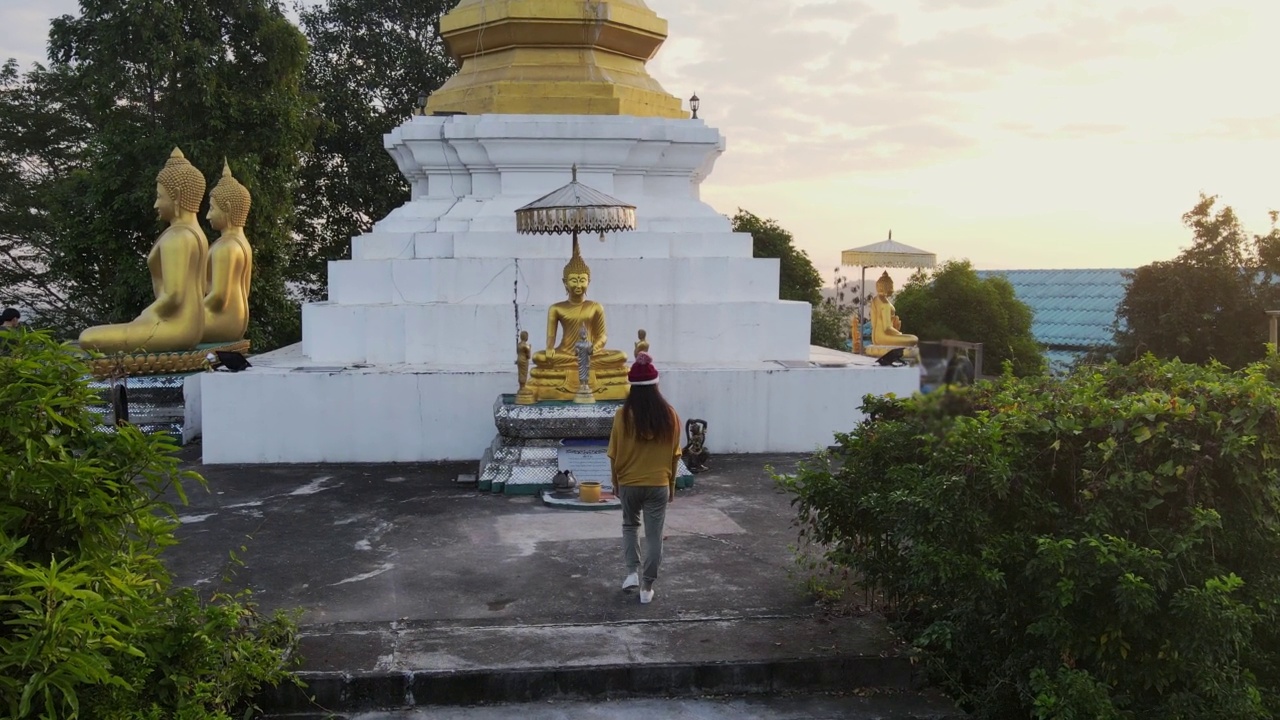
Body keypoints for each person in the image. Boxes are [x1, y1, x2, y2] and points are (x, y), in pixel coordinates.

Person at [607, 352, 681, 605]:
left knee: (629, 525)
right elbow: (675, 455)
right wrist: (671, 487)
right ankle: (647, 588)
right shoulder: (670, 415)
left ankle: (631, 574)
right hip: (658, 483)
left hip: (628, 482)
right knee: (653, 535)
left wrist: (615, 483)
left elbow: (613, 454)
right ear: (656, 385)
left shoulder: (621, 415)